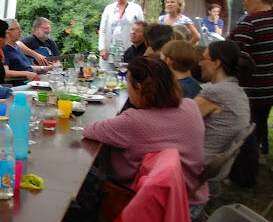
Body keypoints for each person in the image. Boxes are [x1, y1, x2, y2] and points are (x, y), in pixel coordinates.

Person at [81, 56, 208, 207]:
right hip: (192, 193)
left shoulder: (133, 121)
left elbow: (89, 130)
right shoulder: (190, 105)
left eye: (128, 82)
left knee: (80, 176)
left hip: (146, 202)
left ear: (139, 87)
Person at [229, 0, 273, 159]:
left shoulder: (250, 23)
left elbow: (234, 56)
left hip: (251, 89)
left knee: (246, 132)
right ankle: (257, 159)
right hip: (270, 87)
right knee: (259, 126)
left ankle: (246, 172)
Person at [194, 41, 254, 162]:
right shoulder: (236, 89)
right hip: (215, 161)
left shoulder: (215, 93)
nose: (200, 63)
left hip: (199, 161)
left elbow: (182, 124)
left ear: (217, 63)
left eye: (203, 58)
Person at [98, 0, 145, 68]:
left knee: (126, 76)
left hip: (128, 50)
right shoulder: (109, 9)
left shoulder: (136, 8)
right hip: (109, 51)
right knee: (108, 78)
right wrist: (102, 48)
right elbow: (103, 30)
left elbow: (142, 29)